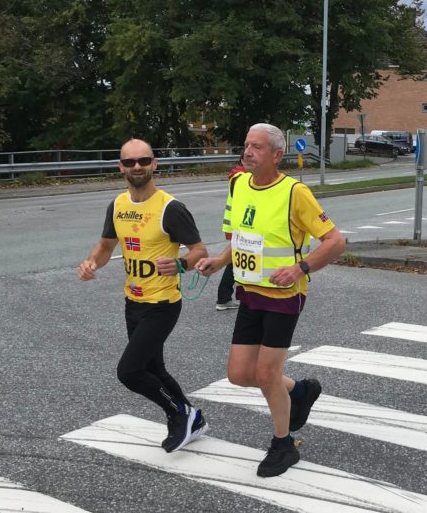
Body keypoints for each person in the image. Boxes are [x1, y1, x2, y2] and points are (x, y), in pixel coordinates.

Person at [196, 123, 346, 478]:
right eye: (246, 144)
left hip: (283, 296)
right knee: (238, 374)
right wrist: (219, 262)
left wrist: (301, 268)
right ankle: (301, 391)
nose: (247, 151)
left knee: (266, 373)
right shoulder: (238, 184)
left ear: (277, 155)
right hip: (249, 292)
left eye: (257, 147)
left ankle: (283, 444)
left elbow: (336, 242)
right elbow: (243, 239)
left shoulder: (295, 192)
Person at [77, 138, 209, 453]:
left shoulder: (170, 208)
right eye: (130, 162)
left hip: (162, 305)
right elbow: (107, 246)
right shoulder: (118, 205)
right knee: (154, 370)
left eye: (143, 161)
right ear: (120, 167)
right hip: (133, 302)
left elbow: (200, 251)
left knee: (130, 371)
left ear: (155, 164)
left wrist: (179, 264)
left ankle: (180, 413)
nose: (137, 167)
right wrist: (91, 262)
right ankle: (195, 420)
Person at [216, 162, 246, 311]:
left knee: (235, 259)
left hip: (236, 225)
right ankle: (223, 297)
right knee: (235, 260)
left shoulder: (238, 175)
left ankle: (225, 296)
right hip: (239, 226)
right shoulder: (241, 177)